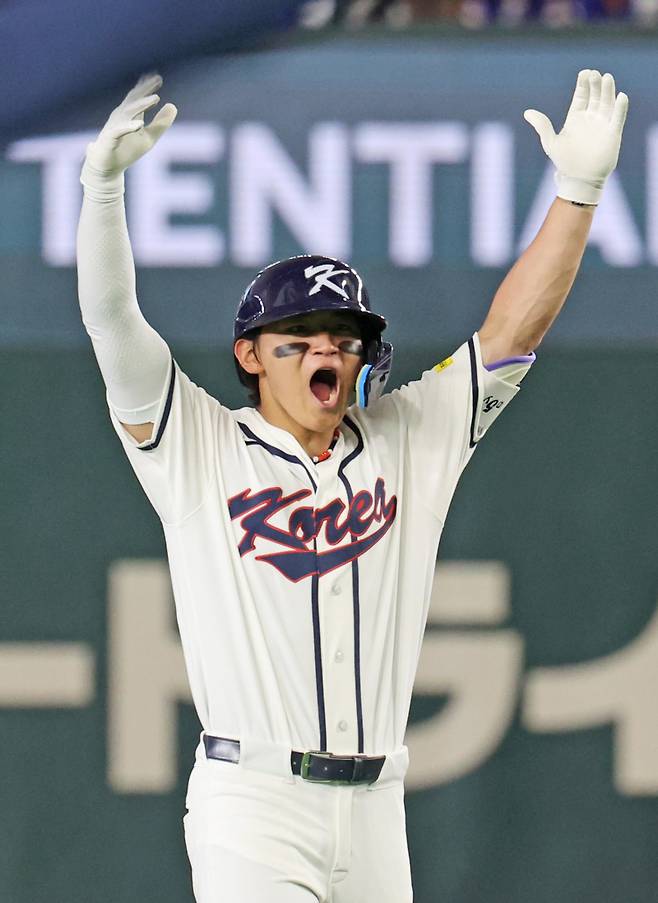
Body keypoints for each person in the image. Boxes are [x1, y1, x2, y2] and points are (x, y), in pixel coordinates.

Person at [76, 69, 628, 903]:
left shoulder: (413, 436)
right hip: (252, 803)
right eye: (297, 339)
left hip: (376, 809)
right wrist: (104, 192)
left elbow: (512, 331)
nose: (326, 353)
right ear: (249, 356)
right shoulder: (198, 443)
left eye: (342, 337)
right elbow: (114, 323)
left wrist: (579, 193)